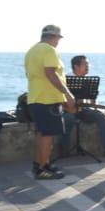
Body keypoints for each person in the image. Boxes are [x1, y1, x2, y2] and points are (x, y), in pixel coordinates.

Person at [24, 24, 75, 180]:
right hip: (48, 99)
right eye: (58, 39)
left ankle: (40, 163)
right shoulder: (49, 50)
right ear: (55, 38)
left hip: (35, 97)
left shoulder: (32, 51)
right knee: (48, 135)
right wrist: (67, 93)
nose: (57, 42)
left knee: (42, 133)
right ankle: (42, 169)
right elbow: (51, 73)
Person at [62, 55, 105, 159]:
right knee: (68, 119)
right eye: (85, 64)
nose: (88, 66)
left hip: (81, 109)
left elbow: (91, 99)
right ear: (76, 66)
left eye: (88, 64)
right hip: (68, 111)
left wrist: (94, 103)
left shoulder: (88, 80)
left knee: (100, 117)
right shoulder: (66, 79)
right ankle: (63, 150)